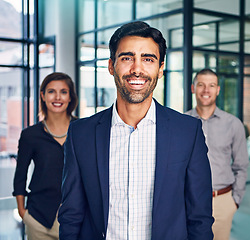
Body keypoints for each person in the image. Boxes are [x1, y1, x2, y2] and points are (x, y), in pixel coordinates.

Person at [58, 21, 213, 240]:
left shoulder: (188, 132)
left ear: (160, 69)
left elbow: (200, 217)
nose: (137, 69)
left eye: (148, 59)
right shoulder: (80, 134)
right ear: (111, 65)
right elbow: (71, 215)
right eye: (127, 58)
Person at [13, 72, 78, 240]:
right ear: (42, 95)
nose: (57, 97)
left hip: (75, 217)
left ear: (70, 96)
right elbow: (20, 175)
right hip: (38, 218)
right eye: (51, 91)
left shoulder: (82, 130)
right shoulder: (30, 135)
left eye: (63, 91)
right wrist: (22, 212)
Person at [185, 68, 249, 240]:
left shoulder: (234, 124)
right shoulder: (182, 123)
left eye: (211, 85)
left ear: (218, 89)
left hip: (222, 201)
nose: (206, 90)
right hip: (189, 202)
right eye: (201, 85)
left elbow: (241, 166)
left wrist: (234, 202)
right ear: (193, 88)